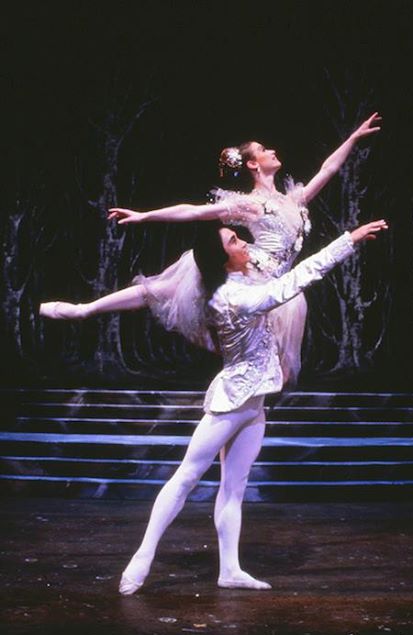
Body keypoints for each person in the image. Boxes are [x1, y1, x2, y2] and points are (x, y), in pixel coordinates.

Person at [118, 218, 388, 595]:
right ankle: (142, 557)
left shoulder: (241, 282)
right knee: (187, 476)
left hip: (253, 401)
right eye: (234, 240)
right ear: (223, 258)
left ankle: (230, 569)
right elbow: (296, 280)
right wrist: (349, 240)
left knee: (234, 487)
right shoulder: (233, 296)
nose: (244, 243)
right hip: (233, 400)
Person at [40, 113, 381, 379]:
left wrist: (352, 137)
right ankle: (83, 310)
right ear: (252, 164)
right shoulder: (250, 204)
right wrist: (144, 216)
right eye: (264, 150)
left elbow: (328, 168)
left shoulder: (295, 198)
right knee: (160, 290)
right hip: (250, 271)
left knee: (282, 370)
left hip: (280, 281)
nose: (272, 151)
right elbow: (194, 211)